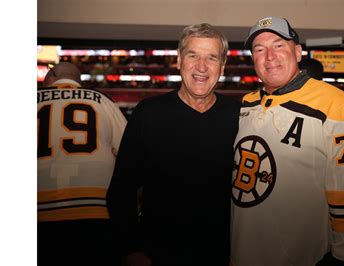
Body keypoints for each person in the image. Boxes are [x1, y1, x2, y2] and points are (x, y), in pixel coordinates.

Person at [230, 16, 344, 266]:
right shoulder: (247, 102)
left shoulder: (337, 105)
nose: (269, 56)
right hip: (242, 250)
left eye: (278, 45)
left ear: (297, 52)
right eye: (259, 49)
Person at [106, 23, 240, 266]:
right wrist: (130, 249)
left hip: (221, 255)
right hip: (157, 254)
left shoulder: (240, 116)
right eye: (193, 55)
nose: (201, 67)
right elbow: (121, 188)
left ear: (222, 66)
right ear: (179, 60)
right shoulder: (149, 113)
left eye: (211, 57)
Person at [37, 62, 127, 266]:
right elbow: (129, 151)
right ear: (79, 81)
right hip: (95, 211)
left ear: (50, 76)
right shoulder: (101, 100)